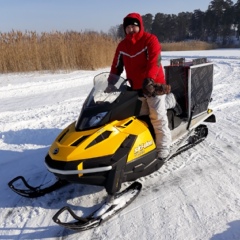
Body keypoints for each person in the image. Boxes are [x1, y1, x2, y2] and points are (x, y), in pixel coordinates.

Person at [108, 12, 180, 161]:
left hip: (153, 85)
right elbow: (116, 66)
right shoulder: (122, 46)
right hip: (135, 87)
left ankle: (163, 149)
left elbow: (155, 61)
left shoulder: (150, 40)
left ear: (140, 26)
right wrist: (110, 82)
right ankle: (168, 102)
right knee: (135, 117)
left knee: (157, 118)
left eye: (134, 26)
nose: (131, 30)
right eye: (127, 27)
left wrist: (149, 79)